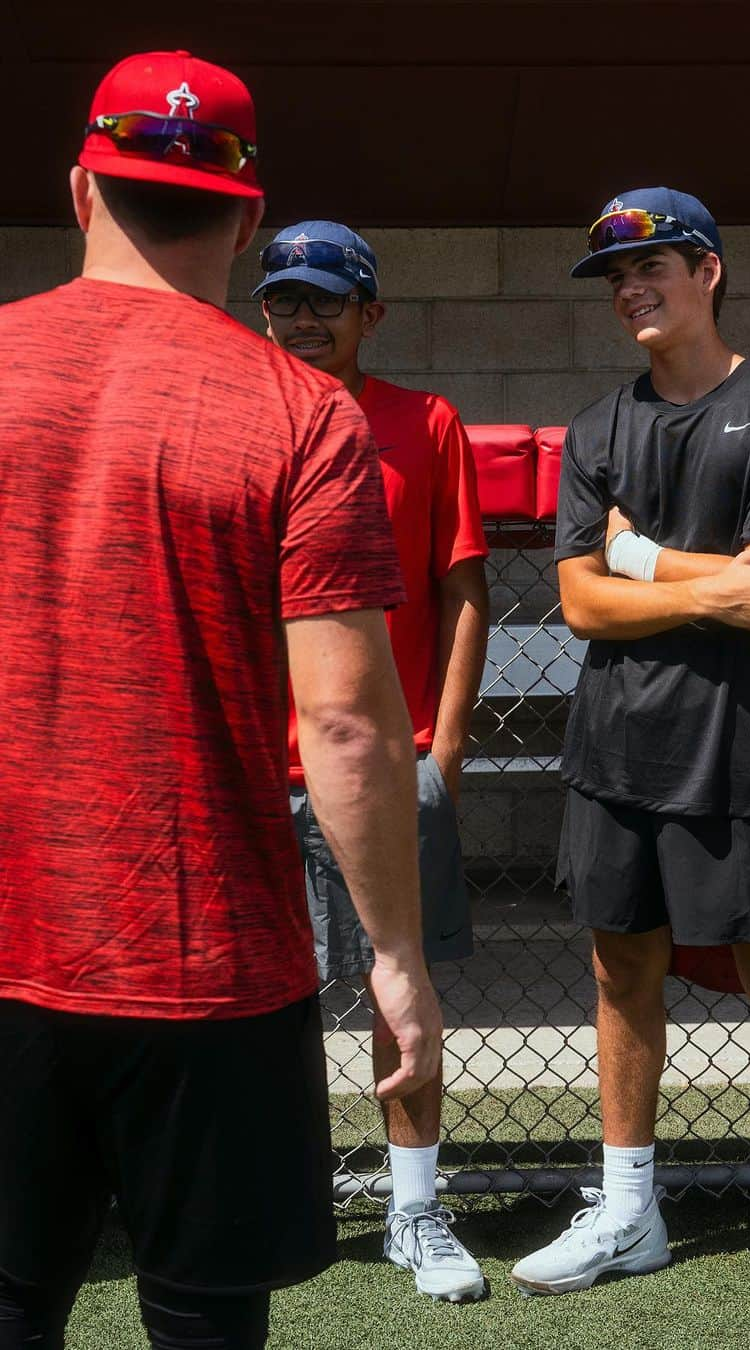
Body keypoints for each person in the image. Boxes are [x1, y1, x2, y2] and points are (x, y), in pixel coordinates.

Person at [0, 51, 441, 1350]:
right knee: (202, 1323)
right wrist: (400, 962)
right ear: (249, 219)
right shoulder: (304, 413)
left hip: (10, 946)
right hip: (207, 963)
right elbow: (351, 721)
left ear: (82, 187)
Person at [510, 187, 750, 1346]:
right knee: (622, 978)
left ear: (708, 272)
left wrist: (635, 556)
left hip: (740, 754)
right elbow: (579, 603)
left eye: (654, 265)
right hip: (617, 751)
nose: (633, 288)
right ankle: (630, 1211)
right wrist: (679, 578)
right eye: (616, 275)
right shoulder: (596, 429)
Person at [255, 223, 490, 1303]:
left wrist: (443, 746)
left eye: (325, 303)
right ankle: (275, 1201)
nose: (304, 321)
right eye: (285, 301)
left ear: (370, 314)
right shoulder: (239, 416)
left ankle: (415, 1210)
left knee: (402, 994)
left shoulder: (422, 422)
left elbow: (462, 591)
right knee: (257, 1005)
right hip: (257, 769)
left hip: (386, 769)